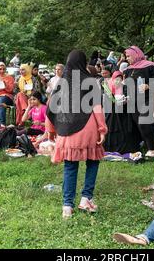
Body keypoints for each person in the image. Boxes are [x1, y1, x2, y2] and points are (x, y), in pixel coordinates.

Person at [46, 50, 108, 219]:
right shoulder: (91, 82)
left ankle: (67, 206)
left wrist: (51, 131)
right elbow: (96, 107)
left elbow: (51, 108)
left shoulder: (61, 83)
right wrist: (102, 129)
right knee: (93, 162)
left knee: (70, 166)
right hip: (89, 128)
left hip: (67, 131)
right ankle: (86, 199)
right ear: (83, 62)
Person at [124, 46, 154, 158]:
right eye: (126, 56)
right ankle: (141, 145)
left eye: (129, 56)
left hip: (147, 99)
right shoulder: (129, 69)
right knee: (136, 125)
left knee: (144, 123)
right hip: (133, 101)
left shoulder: (151, 66)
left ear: (136, 54)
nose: (127, 58)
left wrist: (149, 85)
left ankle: (152, 149)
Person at [103, 71, 142, 156]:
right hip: (112, 113)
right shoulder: (108, 88)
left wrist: (125, 99)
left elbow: (129, 97)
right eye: (116, 80)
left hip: (124, 113)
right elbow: (109, 100)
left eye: (119, 79)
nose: (118, 81)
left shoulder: (125, 87)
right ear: (113, 80)